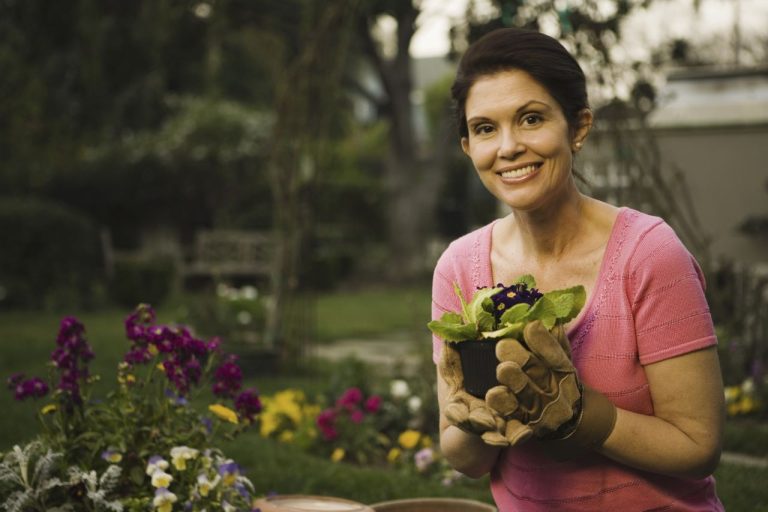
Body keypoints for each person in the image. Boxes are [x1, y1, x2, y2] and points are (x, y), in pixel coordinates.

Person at [431, 27, 725, 511]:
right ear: (468, 147)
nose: (507, 147)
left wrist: (581, 416)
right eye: (485, 128)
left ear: (579, 128)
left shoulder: (648, 254)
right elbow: (466, 459)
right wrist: (475, 418)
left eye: (530, 119)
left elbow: (699, 447)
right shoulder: (460, 268)